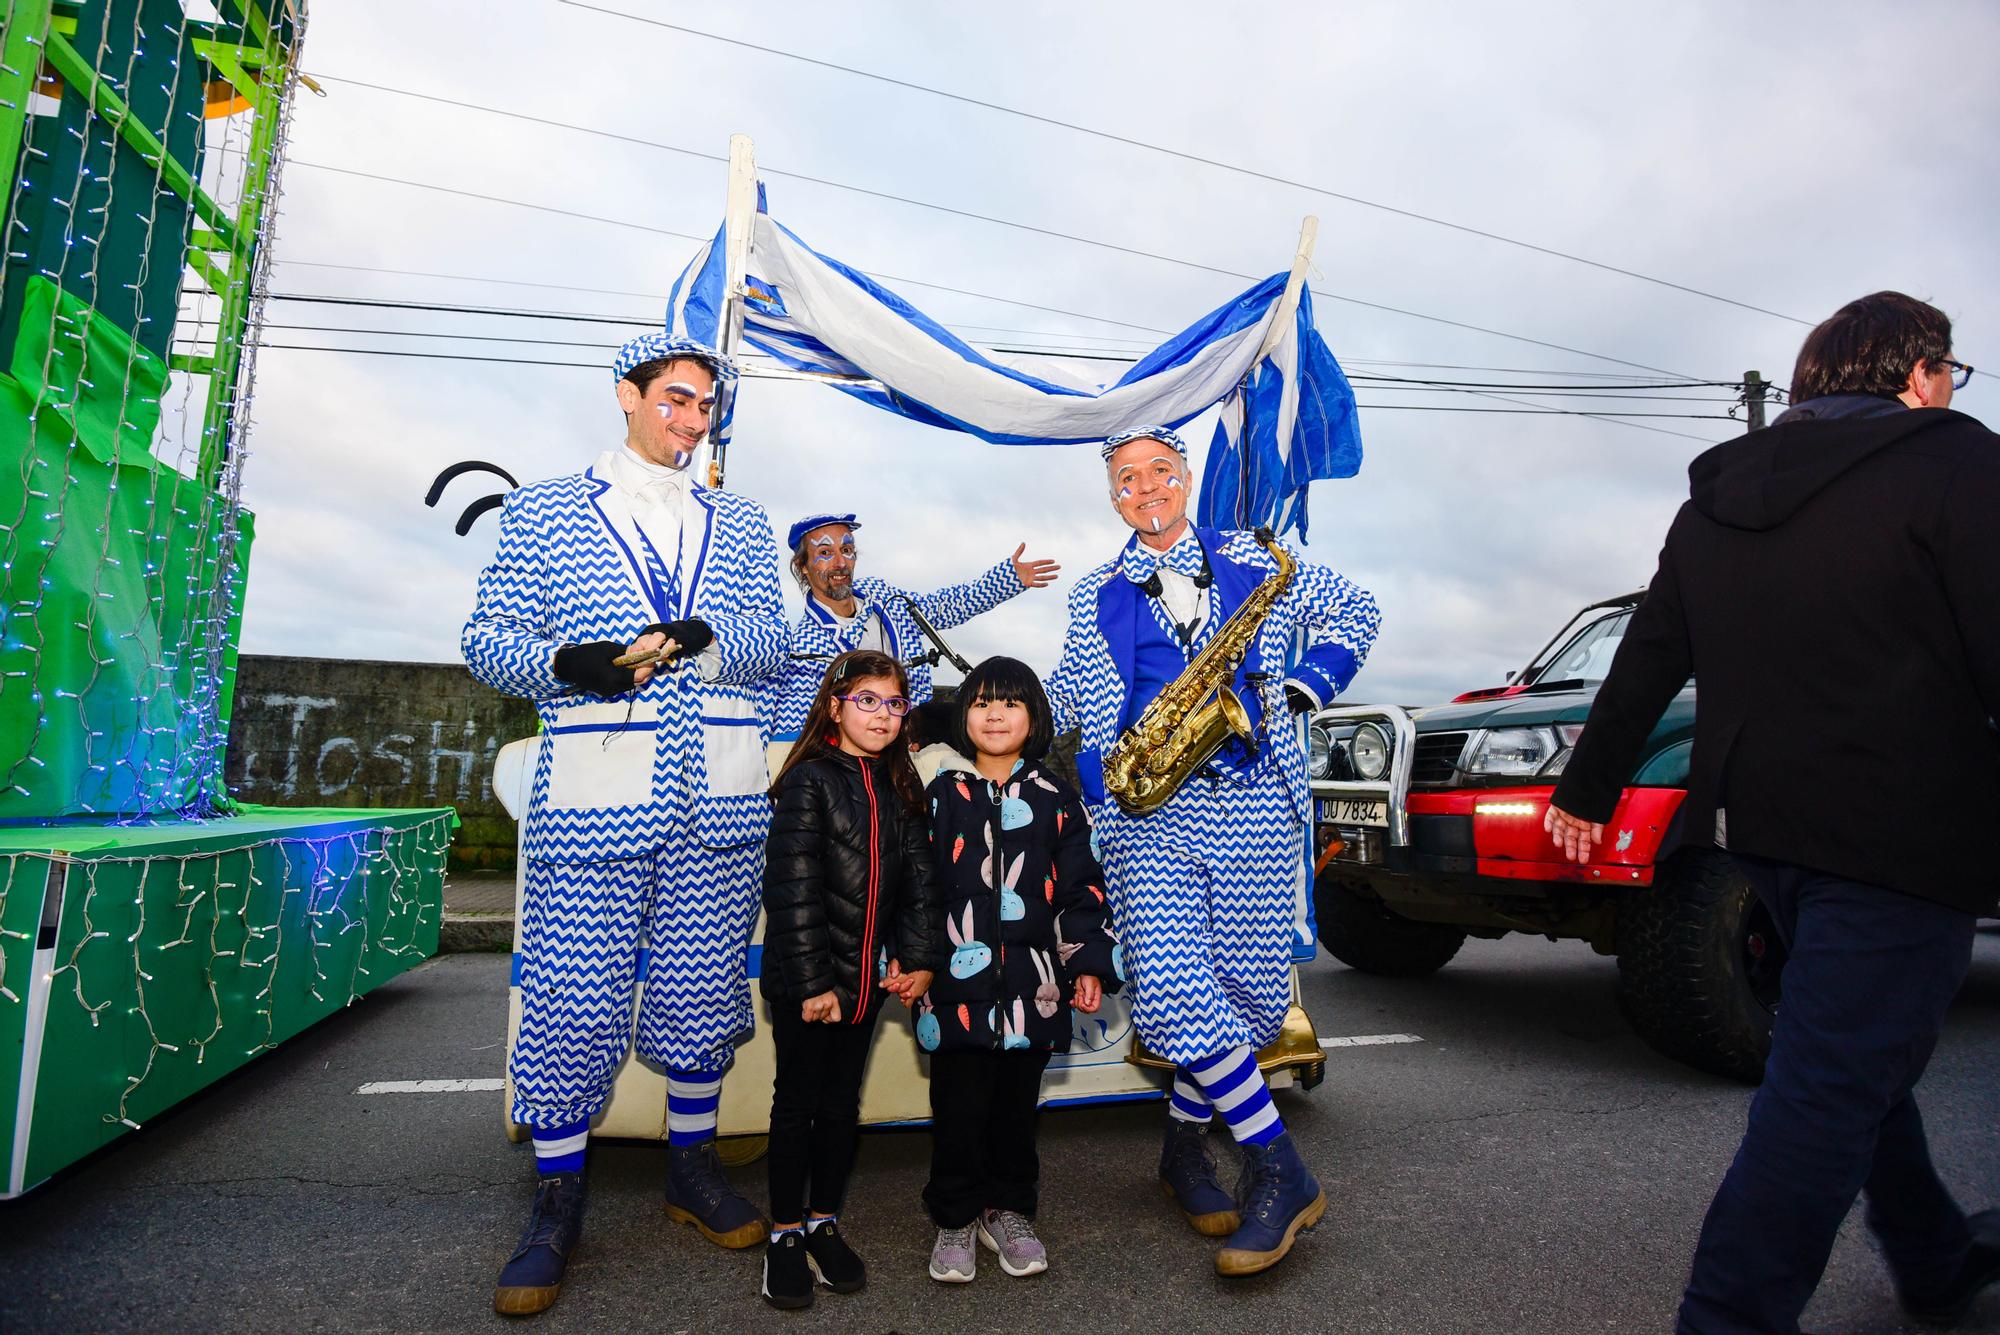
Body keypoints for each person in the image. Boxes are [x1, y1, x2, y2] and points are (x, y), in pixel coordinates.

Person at [1543, 291, 2000, 1334]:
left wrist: (1585, 788)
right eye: (1948, 373)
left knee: (1846, 1051)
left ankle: (1932, 1255)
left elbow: (1649, 654)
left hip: (1764, 832)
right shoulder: (1954, 464)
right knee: (1825, 1088)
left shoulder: (1715, 499)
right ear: (1916, 372)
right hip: (1904, 833)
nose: (1947, 391)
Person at [462, 332, 787, 1317]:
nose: (690, 424)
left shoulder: (740, 518)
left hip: (721, 800)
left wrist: (711, 642)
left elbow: (774, 644)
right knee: (570, 998)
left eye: (704, 411)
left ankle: (692, 1168)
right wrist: (570, 665)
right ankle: (557, 1199)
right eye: (676, 401)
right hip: (596, 796)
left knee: (698, 992)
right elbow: (487, 638)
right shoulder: (545, 509)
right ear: (627, 394)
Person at [1043, 425, 1381, 1277]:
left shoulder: (1259, 557)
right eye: (1128, 478)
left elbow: (1359, 608)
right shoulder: (1092, 593)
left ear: (1187, 477)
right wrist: (996, 712)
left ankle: (1183, 1151)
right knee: (1174, 986)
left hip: (1257, 803)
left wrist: (1307, 686)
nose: (1146, 487)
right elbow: (1072, 696)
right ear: (1112, 495)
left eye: (1161, 470)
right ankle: (1280, 1167)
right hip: (1149, 816)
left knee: (1252, 1004)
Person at [916, 656, 1121, 1284]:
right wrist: (912, 961)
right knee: (958, 1109)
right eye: (981, 702)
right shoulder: (940, 795)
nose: (995, 713)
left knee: (1014, 1112)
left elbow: (1081, 890)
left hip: (1035, 991)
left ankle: (1007, 1210)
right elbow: (916, 888)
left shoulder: (1059, 799)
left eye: (1010, 702)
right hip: (954, 989)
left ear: (1034, 718)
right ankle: (955, 1217)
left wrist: (1085, 962)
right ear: (963, 716)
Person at [759, 649, 941, 1311]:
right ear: (835, 706)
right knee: (796, 1107)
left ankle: (822, 1220)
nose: (883, 714)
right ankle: (782, 1234)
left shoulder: (900, 784)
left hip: (865, 987)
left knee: (841, 1109)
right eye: (868, 699)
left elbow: (920, 884)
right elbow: (791, 890)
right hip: (810, 985)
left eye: (894, 703)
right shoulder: (809, 780)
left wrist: (919, 958)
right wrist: (811, 983)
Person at [763, 512, 1060, 738]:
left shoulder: (886, 598)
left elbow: (944, 606)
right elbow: (801, 732)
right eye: (825, 553)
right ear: (803, 566)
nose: (840, 563)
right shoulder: (801, 648)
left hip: (918, 744)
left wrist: (1007, 579)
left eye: (847, 550)